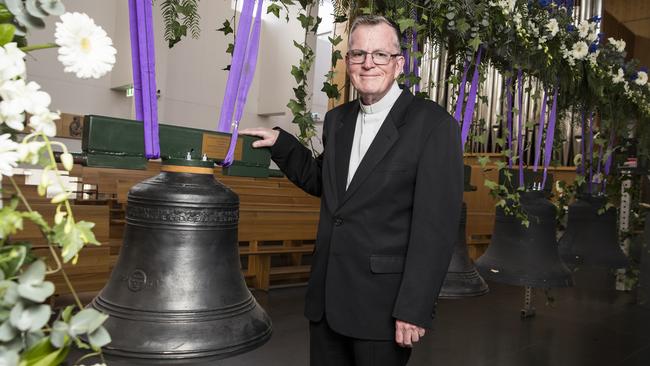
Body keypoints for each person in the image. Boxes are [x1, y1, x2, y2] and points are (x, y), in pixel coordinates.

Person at [240, 14, 462, 366]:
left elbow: (436, 229)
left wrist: (414, 308)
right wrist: (282, 144)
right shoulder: (337, 120)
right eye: (358, 54)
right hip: (327, 300)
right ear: (348, 62)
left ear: (398, 63)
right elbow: (324, 184)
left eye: (380, 54)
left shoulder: (433, 125)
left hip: (383, 307)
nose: (368, 63)